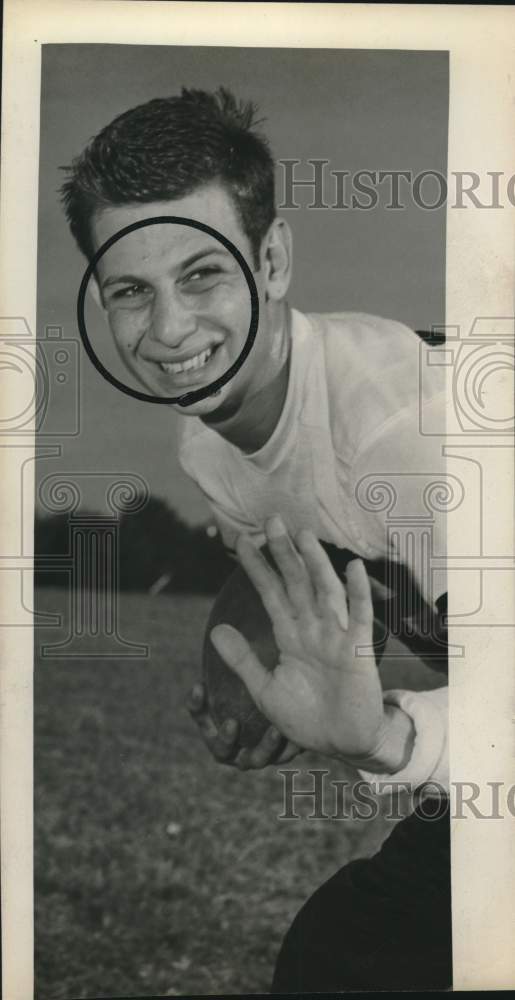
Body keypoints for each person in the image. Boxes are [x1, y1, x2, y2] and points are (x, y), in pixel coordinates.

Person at [61, 86, 451, 990]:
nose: (167, 331)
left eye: (202, 274)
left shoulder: (406, 433)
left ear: (271, 259)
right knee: (348, 953)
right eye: (130, 290)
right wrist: (239, 671)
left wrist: (387, 736)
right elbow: (308, 549)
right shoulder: (209, 445)